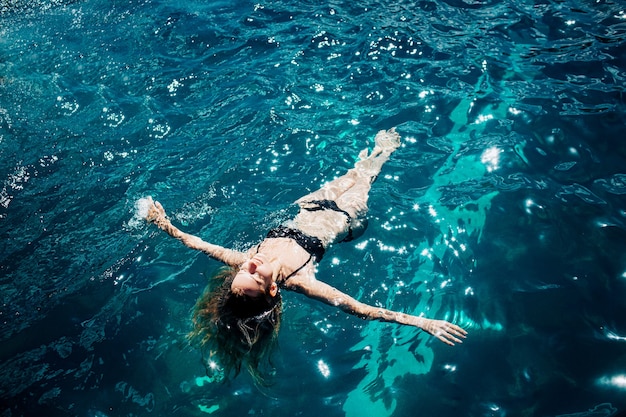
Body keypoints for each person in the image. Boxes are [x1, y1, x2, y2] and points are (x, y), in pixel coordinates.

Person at [143, 128, 467, 382]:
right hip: (346, 219)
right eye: (257, 276)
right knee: (366, 177)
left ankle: (368, 158)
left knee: (352, 173)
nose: (253, 264)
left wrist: (164, 224)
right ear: (273, 289)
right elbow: (359, 308)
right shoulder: (300, 281)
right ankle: (385, 150)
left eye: (247, 268)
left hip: (310, 205)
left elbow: (196, 243)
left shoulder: (243, 261)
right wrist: (420, 322)